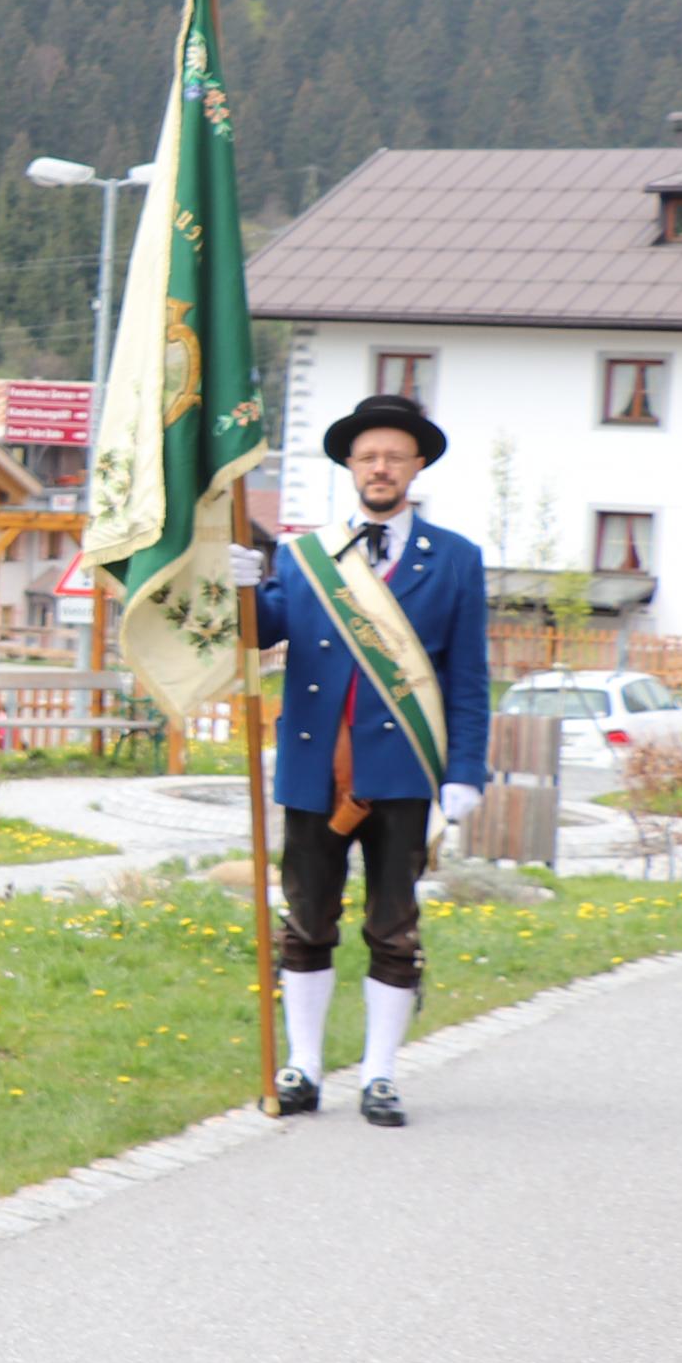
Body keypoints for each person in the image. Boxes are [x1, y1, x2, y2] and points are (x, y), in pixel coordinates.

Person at [224, 390, 491, 1126]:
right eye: (368, 455)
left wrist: (465, 770)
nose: (380, 467)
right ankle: (304, 1066)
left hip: (403, 772)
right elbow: (263, 631)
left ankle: (379, 1074)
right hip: (315, 770)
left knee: (393, 928)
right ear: (349, 464)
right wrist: (240, 588)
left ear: (417, 465)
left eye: (394, 456)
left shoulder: (456, 560)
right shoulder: (306, 556)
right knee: (306, 921)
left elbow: (469, 677)